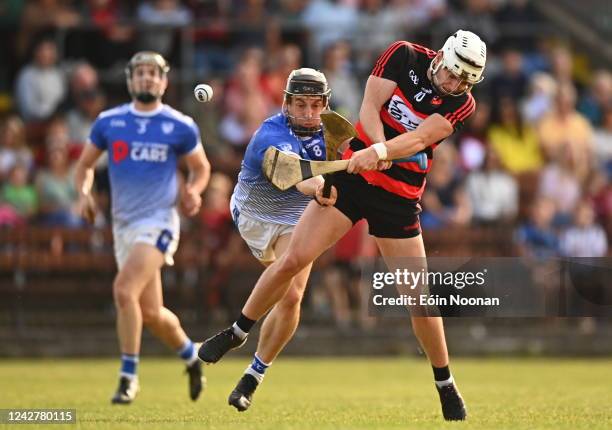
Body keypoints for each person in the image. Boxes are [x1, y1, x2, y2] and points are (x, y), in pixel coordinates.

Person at [199, 30, 487, 421]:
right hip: (352, 179)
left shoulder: (461, 104)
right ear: (441, 57)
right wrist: (373, 146)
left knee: (418, 298)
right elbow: (370, 105)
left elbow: (421, 138)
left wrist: (382, 152)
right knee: (293, 260)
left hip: (398, 198)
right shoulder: (403, 56)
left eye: (462, 81)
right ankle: (235, 332)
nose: (453, 84)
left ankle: (445, 383)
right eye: (452, 74)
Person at [74, 51, 211, 404]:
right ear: (129, 80)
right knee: (150, 313)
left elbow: (201, 168)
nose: (147, 78)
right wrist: (85, 195)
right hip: (123, 226)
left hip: (159, 222)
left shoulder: (179, 125)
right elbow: (84, 167)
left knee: (123, 291)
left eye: (154, 73)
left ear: (164, 81)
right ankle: (192, 356)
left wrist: (194, 191)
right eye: (140, 73)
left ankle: (128, 377)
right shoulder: (109, 122)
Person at [226, 68, 337, 411]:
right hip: (255, 216)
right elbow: (300, 179)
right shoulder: (270, 133)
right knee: (286, 286)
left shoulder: (334, 131)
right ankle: (239, 329)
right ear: (287, 103)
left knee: (292, 295)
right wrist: (324, 184)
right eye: (299, 104)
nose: (307, 113)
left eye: (314, 105)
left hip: (297, 217)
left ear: (324, 105)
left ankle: (253, 375)